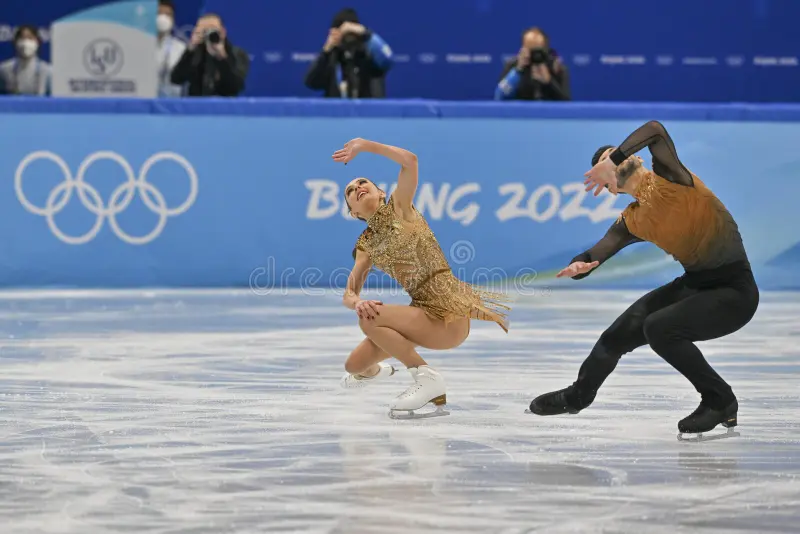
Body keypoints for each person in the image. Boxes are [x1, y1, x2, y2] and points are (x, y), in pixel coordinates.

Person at [528, 120, 759, 442]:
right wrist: (579, 266)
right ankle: (578, 396)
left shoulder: (673, 178)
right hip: (695, 284)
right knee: (615, 337)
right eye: (607, 165)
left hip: (735, 292)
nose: (616, 161)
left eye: (618, 156)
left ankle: (720, 399)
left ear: (633, 158)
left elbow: (654, 130)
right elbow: (596, 253)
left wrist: (612, 157)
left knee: (660, 326)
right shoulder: (632, 220)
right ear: (610, 189)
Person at [334, 138, 510, 419]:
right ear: (353, 212)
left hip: (449, 313)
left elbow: (410, 161)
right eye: (351, 191)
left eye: (362, 182)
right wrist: (356, 302)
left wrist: (364, 145)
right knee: (354, 366)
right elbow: (349, 293)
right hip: (423, 316)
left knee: (371, 318)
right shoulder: (365, 244)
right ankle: (379, 372)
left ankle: (426, 378)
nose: (357, 188)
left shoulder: (399, 208)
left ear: (381, 192)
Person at [305, 8, 393, 98]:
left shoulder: (370, 55)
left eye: (352, 32)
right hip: (338, 111)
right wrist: (326, 51)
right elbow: (311, 82)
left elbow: (387, 59)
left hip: (369, 110)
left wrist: (366, 33)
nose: (348, 38)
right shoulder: (331, 58)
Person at [170, 13, 249, 96]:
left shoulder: (238, 54)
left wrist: (222, 58)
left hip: (225, 106)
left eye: (212, 29)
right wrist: (190, 49)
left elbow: (235, 87)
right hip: (197, 105)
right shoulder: (195, 53)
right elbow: (175, 79)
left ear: (223, 32)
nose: (208, 33)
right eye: (204, 30)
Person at [494, 27, 570, 101]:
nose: (534, 54)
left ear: (546, 49)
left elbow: (566, 103)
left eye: (538, 50)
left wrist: (549, 81)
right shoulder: (513, 66)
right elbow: (500, 97)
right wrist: (518, 71)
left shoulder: (557, 68)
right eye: (530, 49)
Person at [0, 25, 51, 96]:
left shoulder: (47, 71)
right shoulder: (4, 70)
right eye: (22, 38)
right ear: (15, 42)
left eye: (30, 38)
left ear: (38, 42)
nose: (25, 43)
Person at [155, 0, 186, 97]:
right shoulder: (141, 46)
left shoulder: (181, 48)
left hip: (172, 103)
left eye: (168, 15)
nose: (163, 18)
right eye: (159, 14)